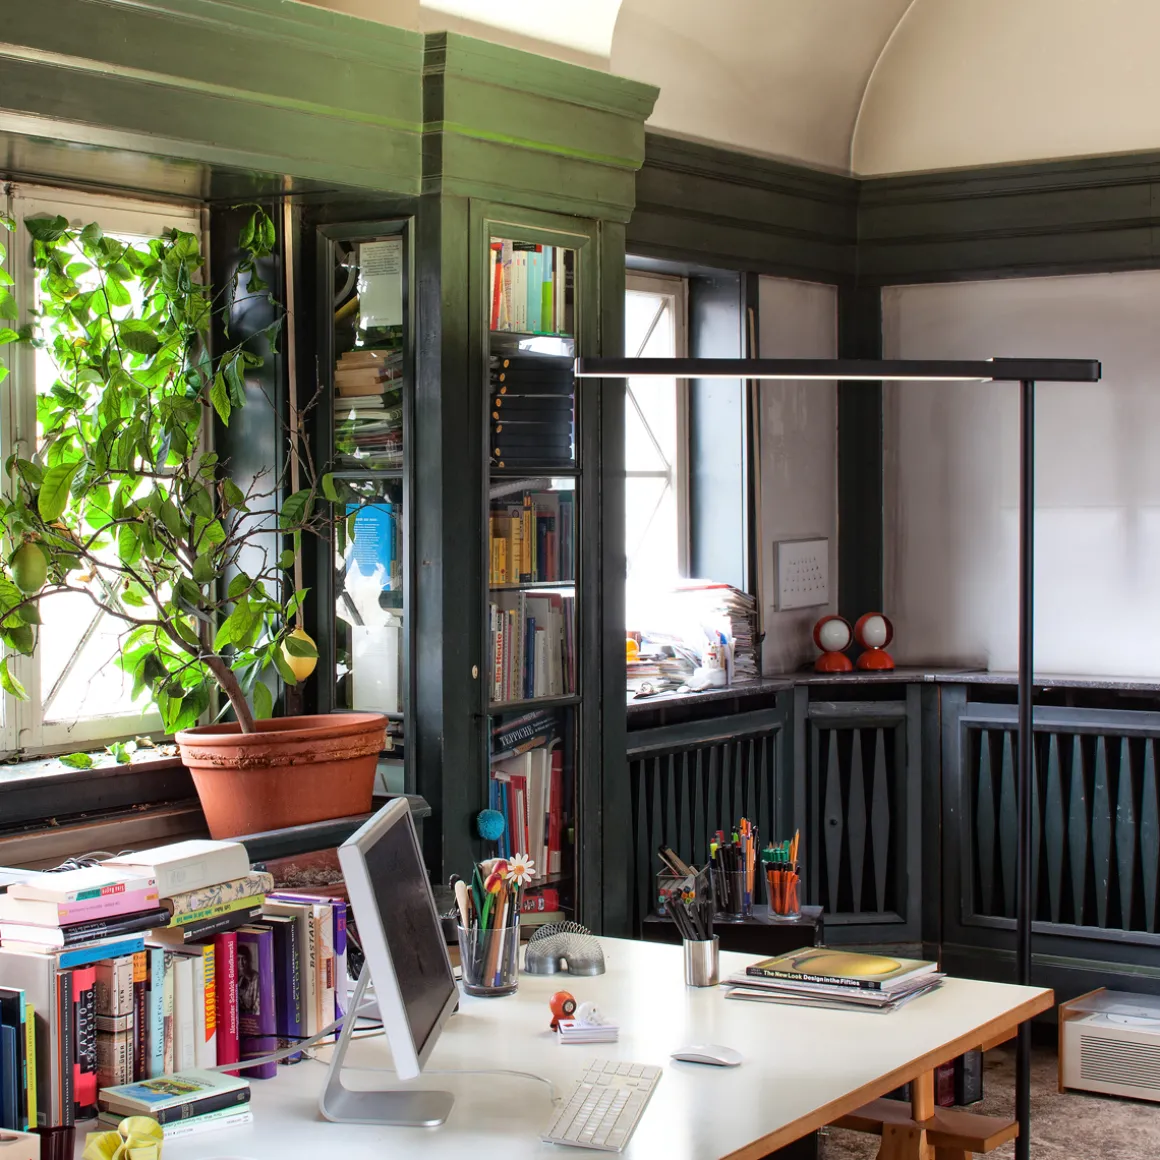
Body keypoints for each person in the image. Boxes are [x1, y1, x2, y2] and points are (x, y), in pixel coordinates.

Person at [238, 942, 260, 1014]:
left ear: (249, 960)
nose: (241, 963)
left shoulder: (258, 980)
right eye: (238, 959)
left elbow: (258, 1009)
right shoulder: (239, 979)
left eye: (244, 959)